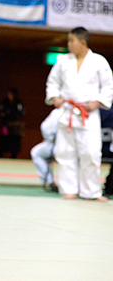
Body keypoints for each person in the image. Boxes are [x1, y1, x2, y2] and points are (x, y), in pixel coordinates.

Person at [46, 26, 113, 201]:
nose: (69, 44)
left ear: (83, 42)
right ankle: (69, 189)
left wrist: (97, 101)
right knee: (65, 153)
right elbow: (52, 82)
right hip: (67, 112)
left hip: (88, 114)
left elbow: (108, 86)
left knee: (91, 154)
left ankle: (92, 192)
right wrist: (55, 97)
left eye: (71, 41)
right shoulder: (63, 62)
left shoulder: (99, 61)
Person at [30, 108, 63, 193]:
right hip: (55, 143)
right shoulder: (58, 111)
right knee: (36, 152)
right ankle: (50, 181)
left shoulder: (59, 112)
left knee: (37, 153)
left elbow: (46, 129)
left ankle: (51, 182)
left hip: (62, 145)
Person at [0, 88, 25, 159]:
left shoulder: (18, 103)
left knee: (14, 141)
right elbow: (0, 112)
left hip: (14, 125)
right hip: (5, 124)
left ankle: (13, 155)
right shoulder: (5, 102)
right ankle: (1, 155)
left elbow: (22, 113)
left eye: (10, 94)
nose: (9, 96)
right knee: (4, 139)